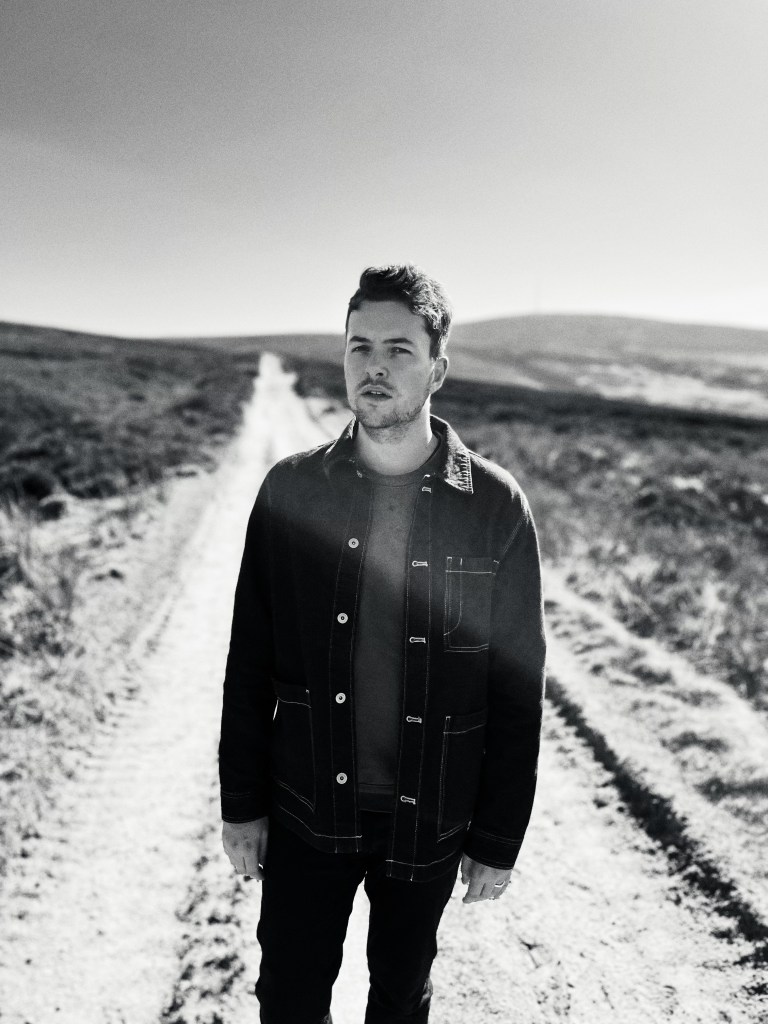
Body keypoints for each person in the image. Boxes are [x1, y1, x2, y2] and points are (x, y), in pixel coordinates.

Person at [218, 263, 548, 1024]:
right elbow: (249, 660)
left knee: (400, 997)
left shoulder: (494, 506)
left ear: (439, 367)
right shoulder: (291, 492)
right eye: (358, 345)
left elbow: (515, 684)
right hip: (306, 806)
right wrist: (242, 805)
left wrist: (498, 836)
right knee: (289, 997)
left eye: (398, 349)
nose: (373, 366)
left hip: (430, 812)